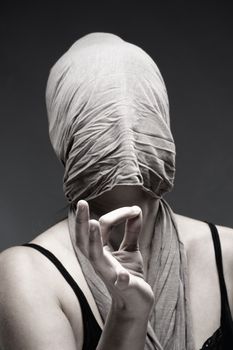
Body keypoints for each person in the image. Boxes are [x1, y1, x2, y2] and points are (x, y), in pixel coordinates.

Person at [0, 32, 233, 350]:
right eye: (95, 113)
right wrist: (127, 314)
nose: (123, 120)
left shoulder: (229, 255)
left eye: (138, 105)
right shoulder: (27, 277)